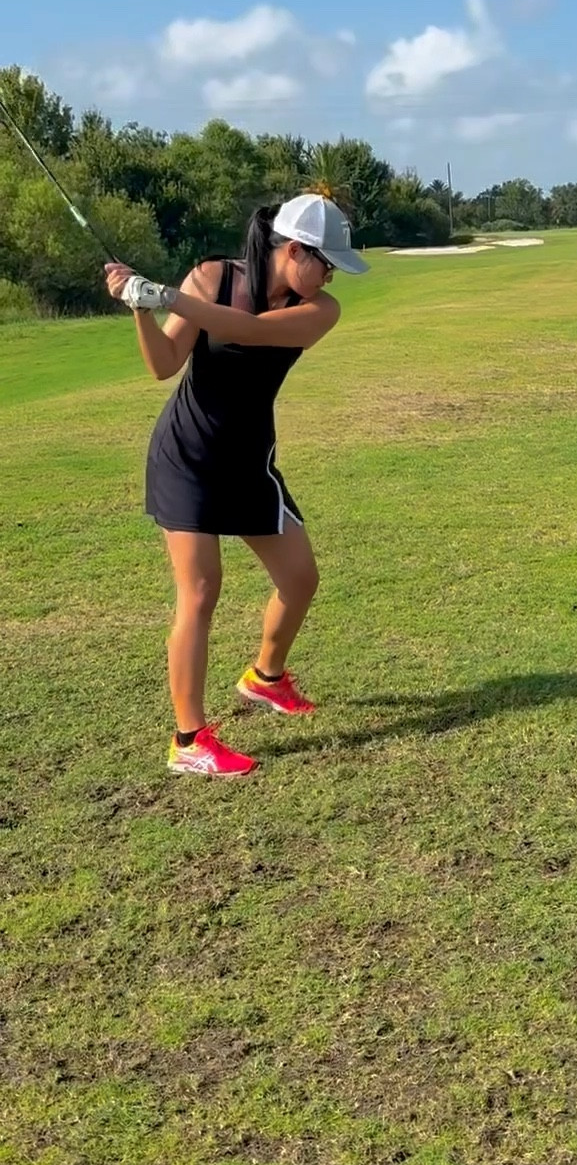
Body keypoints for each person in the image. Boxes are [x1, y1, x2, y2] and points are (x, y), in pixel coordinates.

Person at [105, 193, 368, 777]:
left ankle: (265, 678)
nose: (330, 276)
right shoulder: (212, 276)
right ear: (294, 250)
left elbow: (248, 330)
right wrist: (139, 308)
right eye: (325, 263)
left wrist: (166, 294)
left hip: (249, 459)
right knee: (200, 590)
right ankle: (189, 740)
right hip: (187, 457)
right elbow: (163, 363)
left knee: (300, 579)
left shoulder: (320, 310)